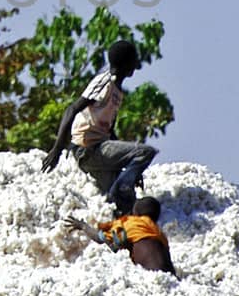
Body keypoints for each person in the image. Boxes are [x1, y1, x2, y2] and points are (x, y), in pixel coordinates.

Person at [40, 40, 158, 215]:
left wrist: (132, 171)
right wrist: (57, 149)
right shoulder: (104, 82)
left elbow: (110, 132)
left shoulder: (117, 91)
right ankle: (121, 188)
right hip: (88, 149)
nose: (135, 66)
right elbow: (71, 109)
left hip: (99, 152)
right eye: (133, 61)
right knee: (145, 152)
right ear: (127, 64)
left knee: (127, 205)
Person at [64, 196, 175, 274]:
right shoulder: (160, 234)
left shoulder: (132, 223)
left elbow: (100, 238)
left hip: (152, 276)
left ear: (136, 213)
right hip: (170, 277)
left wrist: (83, 226)